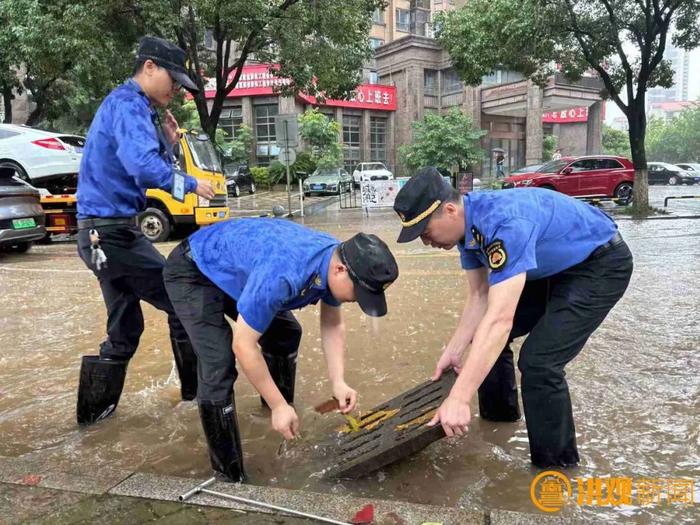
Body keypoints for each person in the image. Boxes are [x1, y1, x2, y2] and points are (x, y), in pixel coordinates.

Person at [392, 167, 633, 468]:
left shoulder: (504, 223)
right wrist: (453, 350)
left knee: (539, 363)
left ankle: (556, 469)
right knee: (486, 338)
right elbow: (479, 296)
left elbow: (500, 321)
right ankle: (500, 422)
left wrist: (458, 396)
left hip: (599, 265)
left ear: (450, 210)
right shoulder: (467, 230)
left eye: (425, 232)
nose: (426, 242)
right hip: (549, 266)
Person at [163, 218, 399, 482]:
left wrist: (338, 381)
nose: (357, 301)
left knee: (286, 333)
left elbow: (332, 323)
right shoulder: (283, 275)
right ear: (340, 270)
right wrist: (278, 405)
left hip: (237, 266)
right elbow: (243, 344)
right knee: (219, 362)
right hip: (193, 269)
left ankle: (277, 417)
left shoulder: (335, 259)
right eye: (359, 294)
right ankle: (229, 477)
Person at [75, 36, 216, 425]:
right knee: (182, 296)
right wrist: (189, 183)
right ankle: (196, 401)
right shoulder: (128, 104)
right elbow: (142, 167)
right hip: (113, 234)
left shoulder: (130, 107)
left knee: (125, 330)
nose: (177, 90)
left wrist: (169, 143)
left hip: (100, 235)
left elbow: (142, 162)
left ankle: (91, 424)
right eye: (175, 80)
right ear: (150, 67)